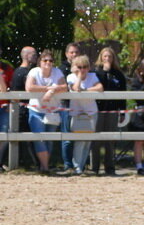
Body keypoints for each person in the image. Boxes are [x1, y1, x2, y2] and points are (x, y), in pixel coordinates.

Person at [26, 50, 67, 174]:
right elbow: (29, 87)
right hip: (36, 109)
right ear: (40, 62)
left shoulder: (57, 72)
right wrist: (50, 89)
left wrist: (52, 92)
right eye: (45, 60)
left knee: (49, 139)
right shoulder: (34, 72)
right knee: (39, 138)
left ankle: (45, 166)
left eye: (50, 60)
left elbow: (64, 87)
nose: (48, 63)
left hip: (53, 111)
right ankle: (44, 166)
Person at [65, 55, 103, 175]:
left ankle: (81, 166)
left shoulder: (92, 76)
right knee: (79, 141)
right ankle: (77, 167)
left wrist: (86, 91)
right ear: (75, 67)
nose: (82, 70)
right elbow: (75, 88)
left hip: (91, 112)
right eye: (80, 67)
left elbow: (100, 87)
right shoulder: (70, 77)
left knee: (87, 141)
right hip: (77, 113)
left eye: (85, 67)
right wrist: (80, 78)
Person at [92, 47, 126, 175]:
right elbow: (100, 87)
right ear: (101, 57)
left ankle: (110, 167)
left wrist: (122, 112)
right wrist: (105, 72)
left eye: (110, 57)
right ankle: (94, 167)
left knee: (110, 141)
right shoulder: (95, 72)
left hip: (112, 110)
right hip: (98, 110)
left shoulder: (118, 74)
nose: (107, 59)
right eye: (105, 56)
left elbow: (123, 95)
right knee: (96, 141)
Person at [57, 42, 81, 171]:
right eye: (71, 52)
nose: (74, 54)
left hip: (81, 106)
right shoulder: (62, 69)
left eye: (76, 52)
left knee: (81, 135)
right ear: (67, 54)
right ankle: (68, 164)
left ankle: (79, 164)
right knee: (66, 136)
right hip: (66, 105)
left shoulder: (84, 67)